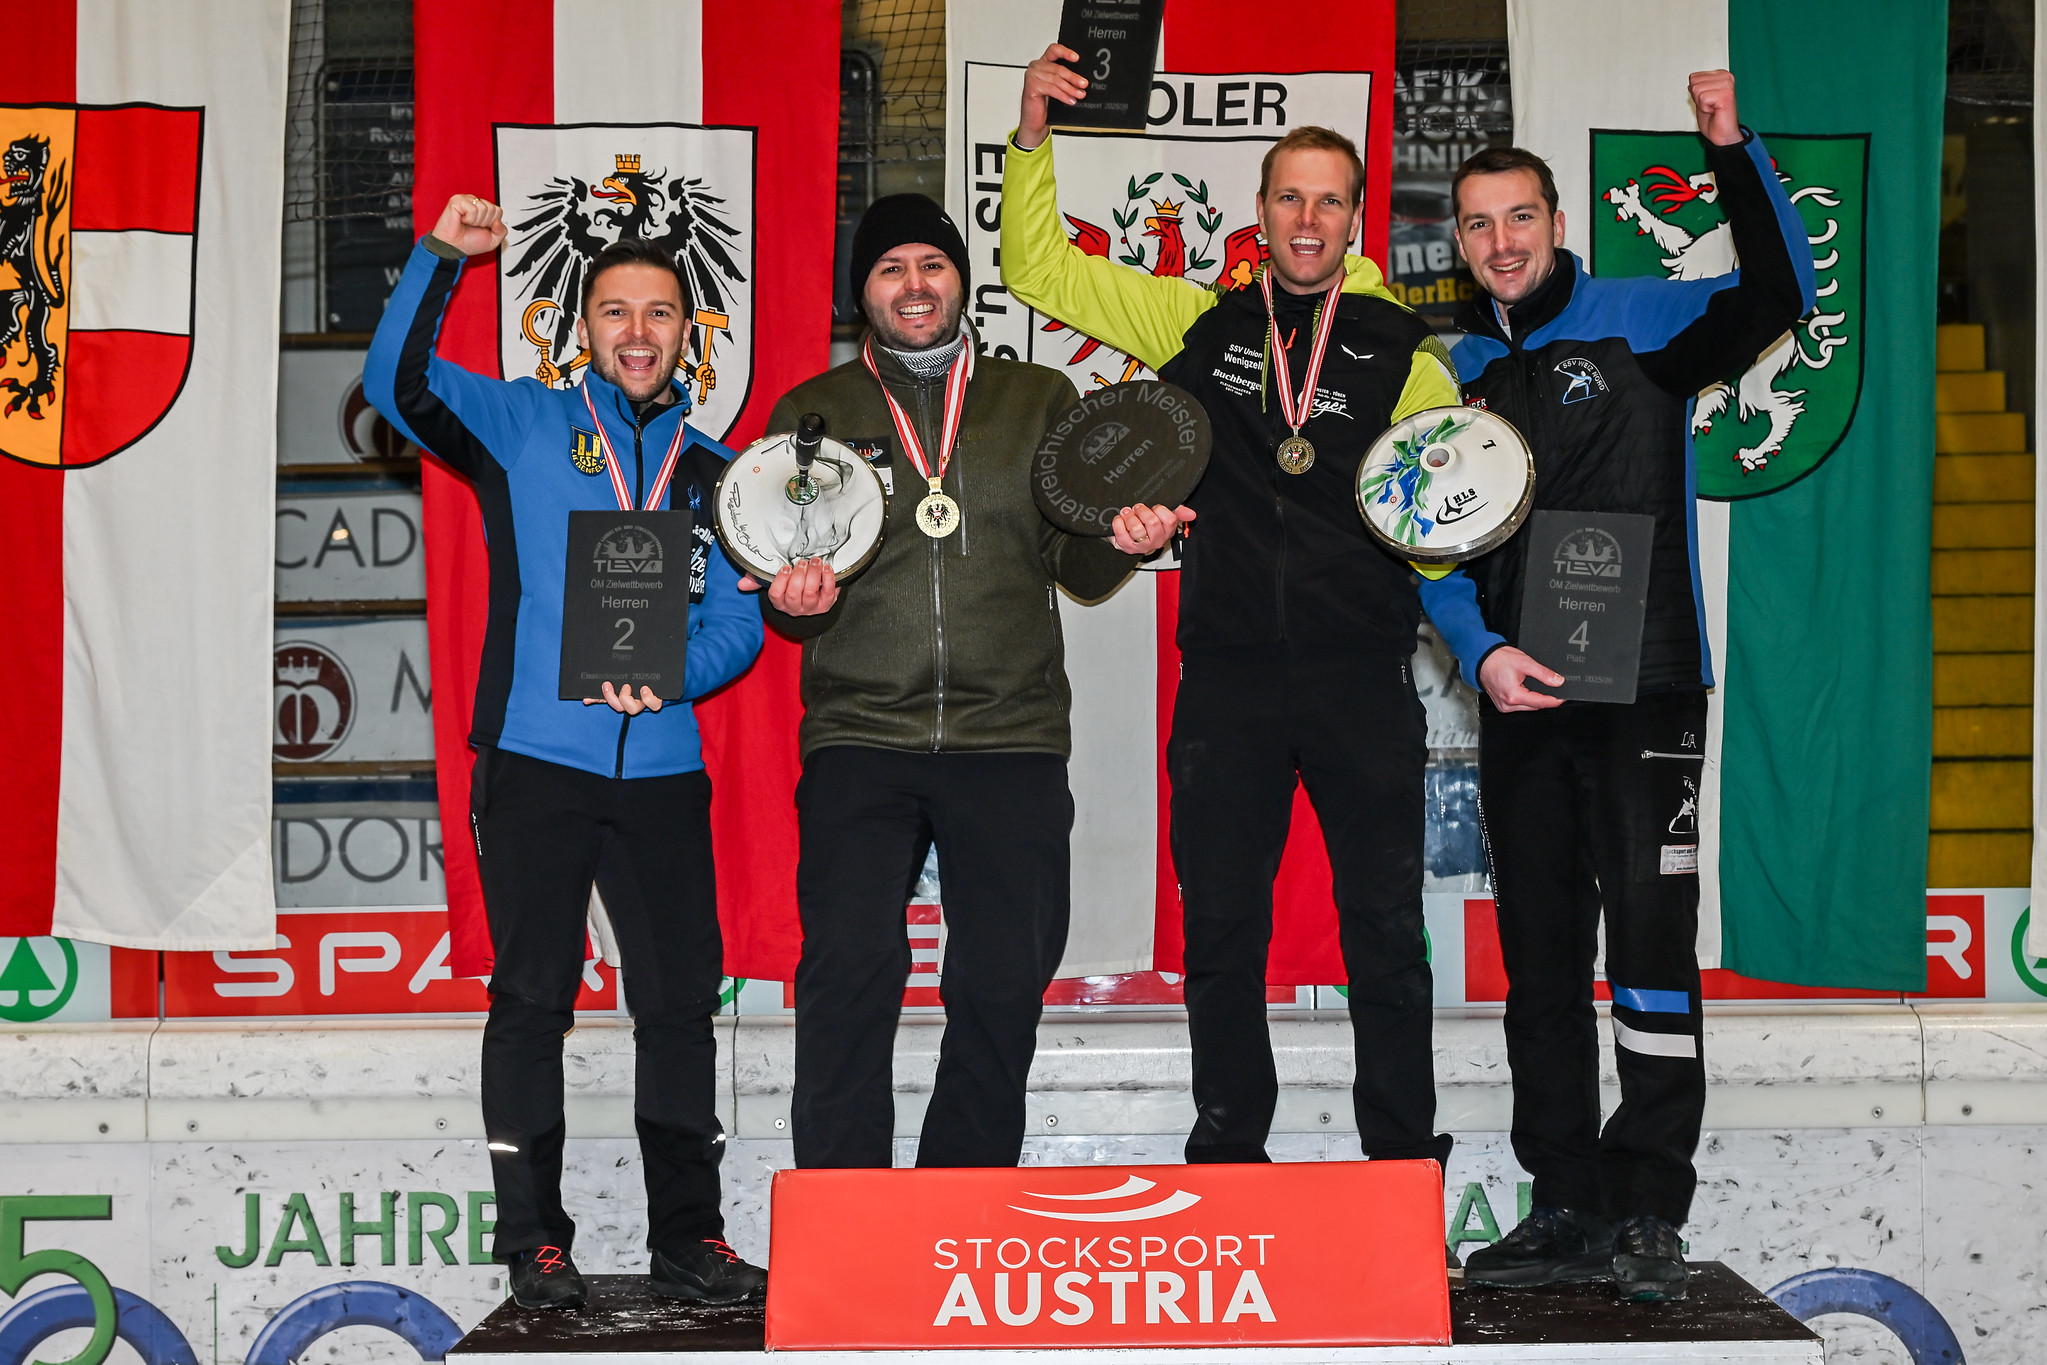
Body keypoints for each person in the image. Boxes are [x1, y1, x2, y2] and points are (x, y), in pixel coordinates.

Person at [1001, 49, 1468, 1190]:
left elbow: (1444, 513)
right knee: (1220, 935)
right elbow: (1040, 270)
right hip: (1227, 681)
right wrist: (1029, 136)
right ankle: (1227, 1152)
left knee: (1382, 937)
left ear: (1355, 218)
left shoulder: (1409, 357)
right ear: (1259, 213)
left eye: (1329, 199)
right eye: (1288, 196)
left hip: (1362, 676)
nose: (1307, 218)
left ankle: (1402, 1155)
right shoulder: (1197, 321)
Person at [1419, 71, 1815, 1302]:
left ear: (1554, 220)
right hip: (1520, 701)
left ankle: (1649, 1202)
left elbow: (1777, 294)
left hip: (1644, 694)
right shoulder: (1454, 365)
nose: (1500, 243)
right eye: (1477, 225)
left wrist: (1731, 152)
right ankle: (1566, 1202)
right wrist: (1480, 653)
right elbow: (1420, 535)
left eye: (1518, 218)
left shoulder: (1641, 317)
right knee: (1539, 959)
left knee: (1649, 950)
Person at [366, 194, 767, 1310]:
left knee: (681, 1003)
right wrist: (442, 258)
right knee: (534, 998)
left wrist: (677, 673)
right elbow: (393, 381)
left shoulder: (716, 473)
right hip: (536, 760)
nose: (638, 332)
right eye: (614, 311)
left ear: (692, 333)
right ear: (580, 326)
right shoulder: (520, 424)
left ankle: (692, 1236)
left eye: (660, 314)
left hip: (664, 770)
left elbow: (741, 623)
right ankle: (532, 1243)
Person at [755, 193, 1140, 1170]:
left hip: (1008, 736)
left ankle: (956, 1197)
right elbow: (788, 589)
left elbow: (1080, 570)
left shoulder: (1038, 401)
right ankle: (843, 1206)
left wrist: (1125, 537)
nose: (914, 286)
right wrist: (793, 600)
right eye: (891, 270)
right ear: (863, 294)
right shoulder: (814, 413)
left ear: (961, 282)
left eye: (932, 265)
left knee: (1002, 978)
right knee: (848, 969)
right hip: (859, 736)